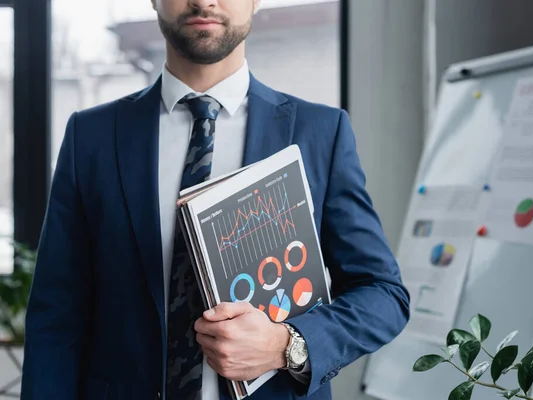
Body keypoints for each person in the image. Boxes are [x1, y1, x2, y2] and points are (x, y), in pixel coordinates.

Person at [21, 0, 411, 399]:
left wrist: (286, 345)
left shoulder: (320, 133)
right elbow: (56, 316)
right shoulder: (92, 136)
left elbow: (383, 294)